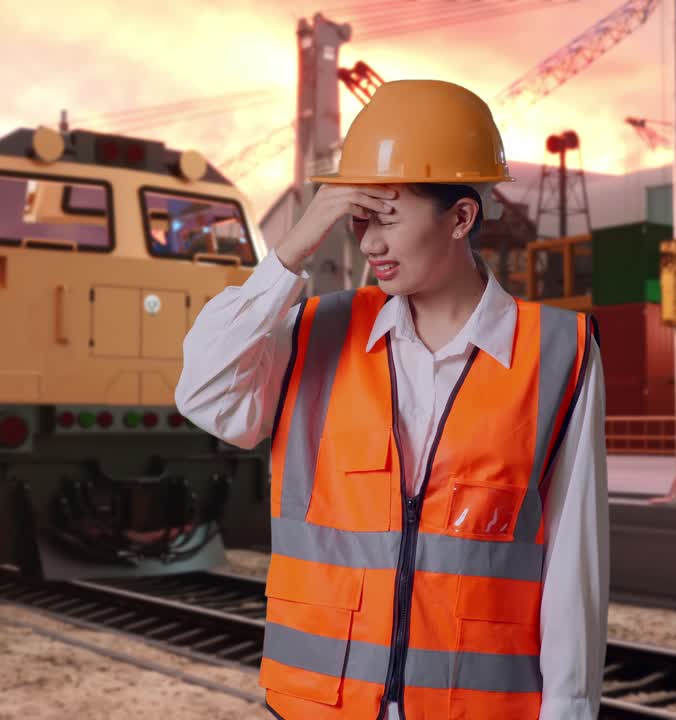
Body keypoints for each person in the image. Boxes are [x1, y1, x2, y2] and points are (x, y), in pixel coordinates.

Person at [175, 79, 608, 720]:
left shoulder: (559, 353)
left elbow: (576, 562)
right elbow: (205, 393)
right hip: (319, 707)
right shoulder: (315, 331)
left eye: (388, 217)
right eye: (356, 220)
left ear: (461, 217)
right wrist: (293, 248)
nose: (368, 243)